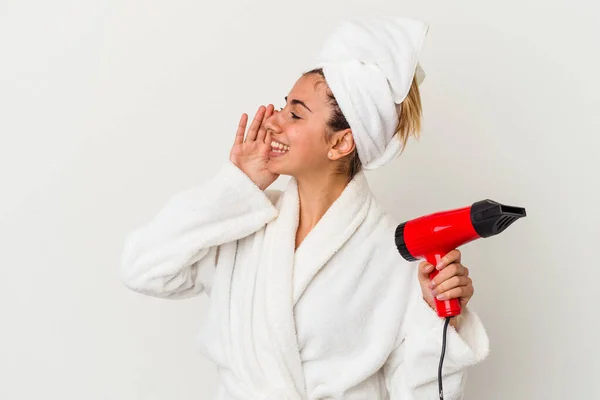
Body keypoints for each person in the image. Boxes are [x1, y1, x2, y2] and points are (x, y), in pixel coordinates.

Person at [121, 16, 489, 400]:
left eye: (295, 114)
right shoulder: (241, 221)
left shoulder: (396, 253)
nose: (274, 122)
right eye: (284, 106)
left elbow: (423, 393)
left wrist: (439, 317)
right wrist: (235, 186)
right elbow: (142, 269)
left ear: (341, 143)